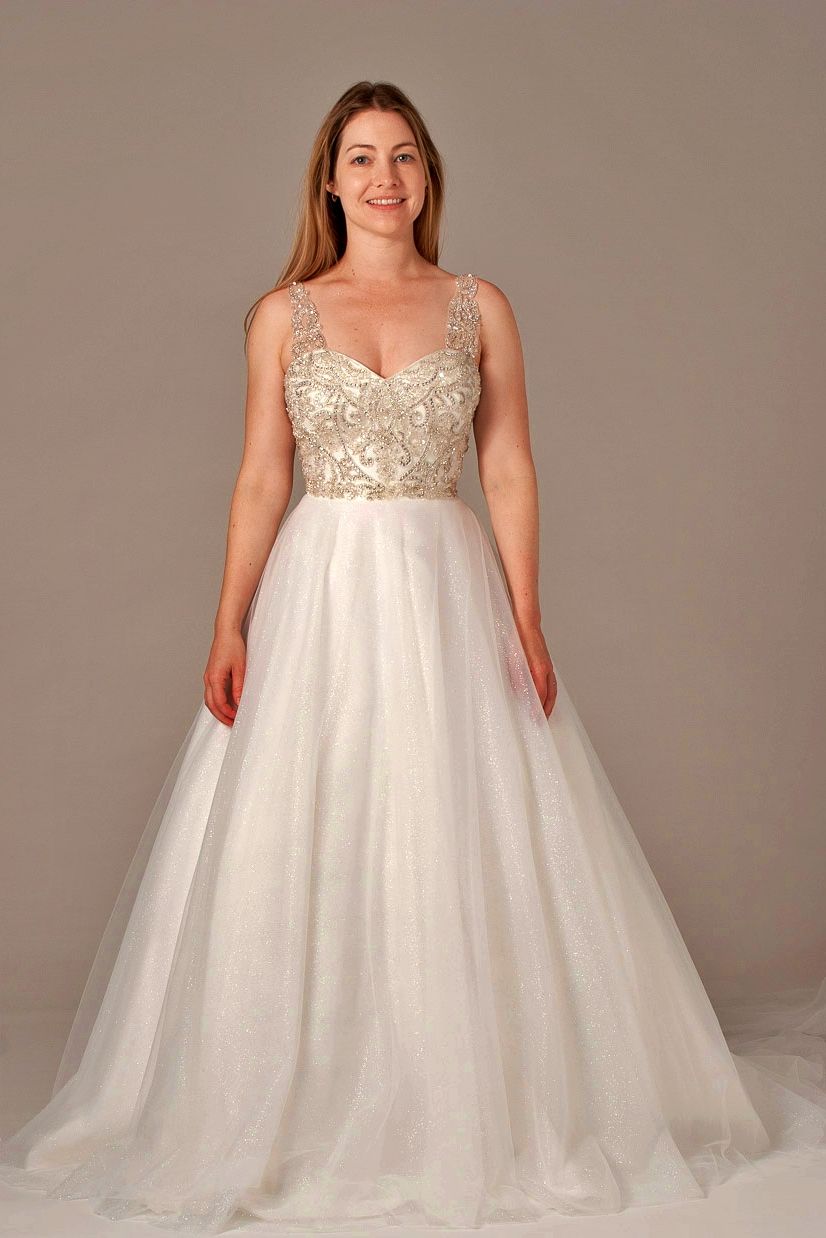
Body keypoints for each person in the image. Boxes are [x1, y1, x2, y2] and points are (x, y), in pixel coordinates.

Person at [1, 79, 825, 1235]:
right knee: (309, 829)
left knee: (458, 828)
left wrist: (527, 617)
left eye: (403, 157)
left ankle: (468, 1097)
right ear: (328, 182)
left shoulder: (478, 306)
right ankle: (306, 1092)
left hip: (447, 585)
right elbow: (258, 479)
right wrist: (229, 618)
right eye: (360, 158)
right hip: (320, 588)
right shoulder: (280, 315)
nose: (383, 177)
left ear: (429, 175)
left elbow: (508, 469)